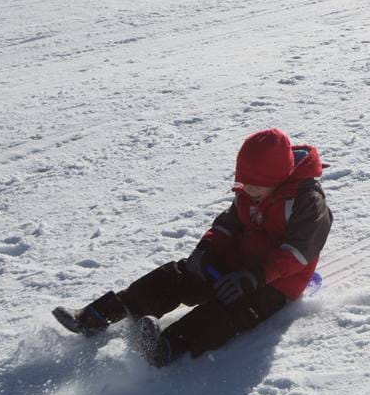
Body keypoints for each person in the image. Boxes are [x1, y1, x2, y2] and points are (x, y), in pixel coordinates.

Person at [54, 129, 332, 367]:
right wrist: (207, 249)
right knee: (180, 275)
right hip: (238, 263)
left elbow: (299, 251)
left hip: (275, 283)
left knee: (230, 311)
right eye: (242, 181)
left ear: (278, 178)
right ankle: (102, 313)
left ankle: (168, 347)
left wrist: (256, 276)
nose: (246, 189)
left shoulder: (307, 202)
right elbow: (228, 223)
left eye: (254, 184)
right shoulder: (252, 192)